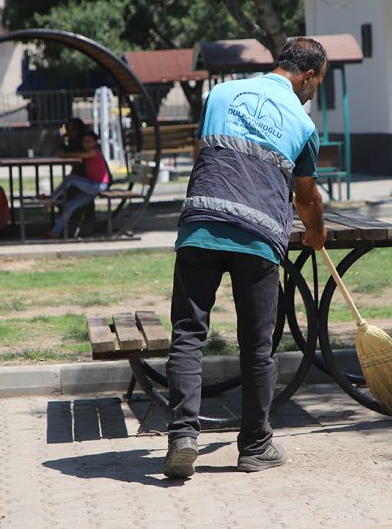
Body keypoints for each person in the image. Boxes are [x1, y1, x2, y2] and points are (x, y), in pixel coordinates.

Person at [162, 37, 328, 479]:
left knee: (188, 335)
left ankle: (183, 435)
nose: (314, 93)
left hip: (200, 228)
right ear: (307, 76)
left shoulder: (220, 93)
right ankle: (255, 447)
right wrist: (316, 234)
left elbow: (214, 157)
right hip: (257, 239)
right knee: (257, 346)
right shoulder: (303, 124)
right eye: (317, 84)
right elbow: (306, 197)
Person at [44, 131, 110, 239]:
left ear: (95, 143)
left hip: (98, 186)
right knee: (70, 206)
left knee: (70, 179)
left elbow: (78, 155)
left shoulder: (95, 152)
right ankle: (55, 232)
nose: (87, 144)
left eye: (90, 141)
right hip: (92, 185)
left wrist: (63, 155)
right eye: (85, 141)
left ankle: (51, 200)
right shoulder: (89, 152)